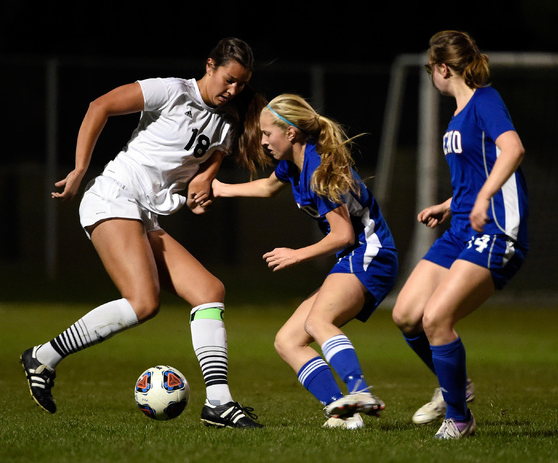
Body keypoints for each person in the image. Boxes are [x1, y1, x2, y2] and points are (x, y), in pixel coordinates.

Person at [20, 37, 269, 429]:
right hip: (114, 195)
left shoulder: (224, 126)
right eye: (229, 79)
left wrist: (201, 191)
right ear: (209, 65)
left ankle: (219, 403)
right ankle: (44, 354)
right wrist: (80, 168)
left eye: (241, 84)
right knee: (143, 302)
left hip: (146, 216)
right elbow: (98, 106)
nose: (233, 90)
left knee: (209, 292)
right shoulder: (171, 91)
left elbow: (203, 179)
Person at [210, 93, 398, 429]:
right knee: (288, 340)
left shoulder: (318, 168)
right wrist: (220, 189)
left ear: (291, 133)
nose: (263, 140)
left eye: (268, 133)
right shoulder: (294, 164)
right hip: (354, 255)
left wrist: (297, 254)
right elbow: (268, 188)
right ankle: (344, 412)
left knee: (318, 322)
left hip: (371, 253)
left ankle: (359, 391)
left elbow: (344, 236)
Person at [391, 30, 528, 439]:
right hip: (461, 229)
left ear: (442, 68)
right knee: (407, 315)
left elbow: (513, 149)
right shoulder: (457, 113)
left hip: (497, 228)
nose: (432, 76)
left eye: (431, 69)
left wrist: (485, 199)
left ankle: (459, 418)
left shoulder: (485, 100)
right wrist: (448, 205)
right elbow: (477, 172)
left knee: (437, 318)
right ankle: (458, 386)